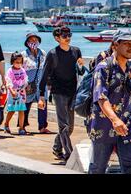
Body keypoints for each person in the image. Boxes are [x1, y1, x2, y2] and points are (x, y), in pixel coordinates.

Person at [88, 30, 131, 174]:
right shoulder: (104, 67)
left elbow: (130, 95)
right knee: (98, 167)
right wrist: (115, 119)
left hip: (127, 126)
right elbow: (101, 97)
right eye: (126, 44)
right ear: (115, 45)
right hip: (103, 126)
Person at [39, 26, 85, 161]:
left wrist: (81, 66)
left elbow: (80, 72)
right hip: (58, 92)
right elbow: (44, 75)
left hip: (72, 91)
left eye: (69, 35)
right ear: (57, 38)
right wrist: (42, 96)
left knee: (69, 127)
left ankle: (57, 147)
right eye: (64, 36)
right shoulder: (52, 54)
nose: (68, 38)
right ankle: (70, 155)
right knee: (63, 126)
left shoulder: (76, 51)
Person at [21, 33, 51, 134]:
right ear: (27, 43)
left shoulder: (42, 53)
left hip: (41, 83)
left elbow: (47, 67)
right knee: (26, 104)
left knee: (43, 103)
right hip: (28, 83)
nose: (34, 42)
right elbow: (20, 69)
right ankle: (22, 125)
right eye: (31, 40)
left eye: (35, 40)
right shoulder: (24, 54)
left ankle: (42, 126)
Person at [3, 52, 28, 135]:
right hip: (13, 93)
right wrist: (11, 90)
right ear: (12, 62)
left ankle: (21, 128)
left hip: (21, 93)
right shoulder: (10, 71)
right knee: (12, 110)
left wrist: (25, 86)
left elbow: (25, 80)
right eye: (17, 62)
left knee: (22, 110)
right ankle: (6, 124)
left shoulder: (22, 70)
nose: (19, 64)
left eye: (21, 62)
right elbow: (8, 81)